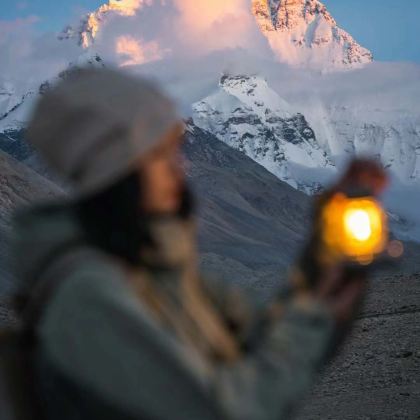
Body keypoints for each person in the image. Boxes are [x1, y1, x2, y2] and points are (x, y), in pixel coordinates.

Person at [10, 67, 372, 420]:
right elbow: (229, 409)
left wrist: (324, 255)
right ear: (117, 167)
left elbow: (264, 343)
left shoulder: (150, 275)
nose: (179, 166)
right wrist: (313, 316)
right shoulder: (90, 294)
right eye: (160, 153)